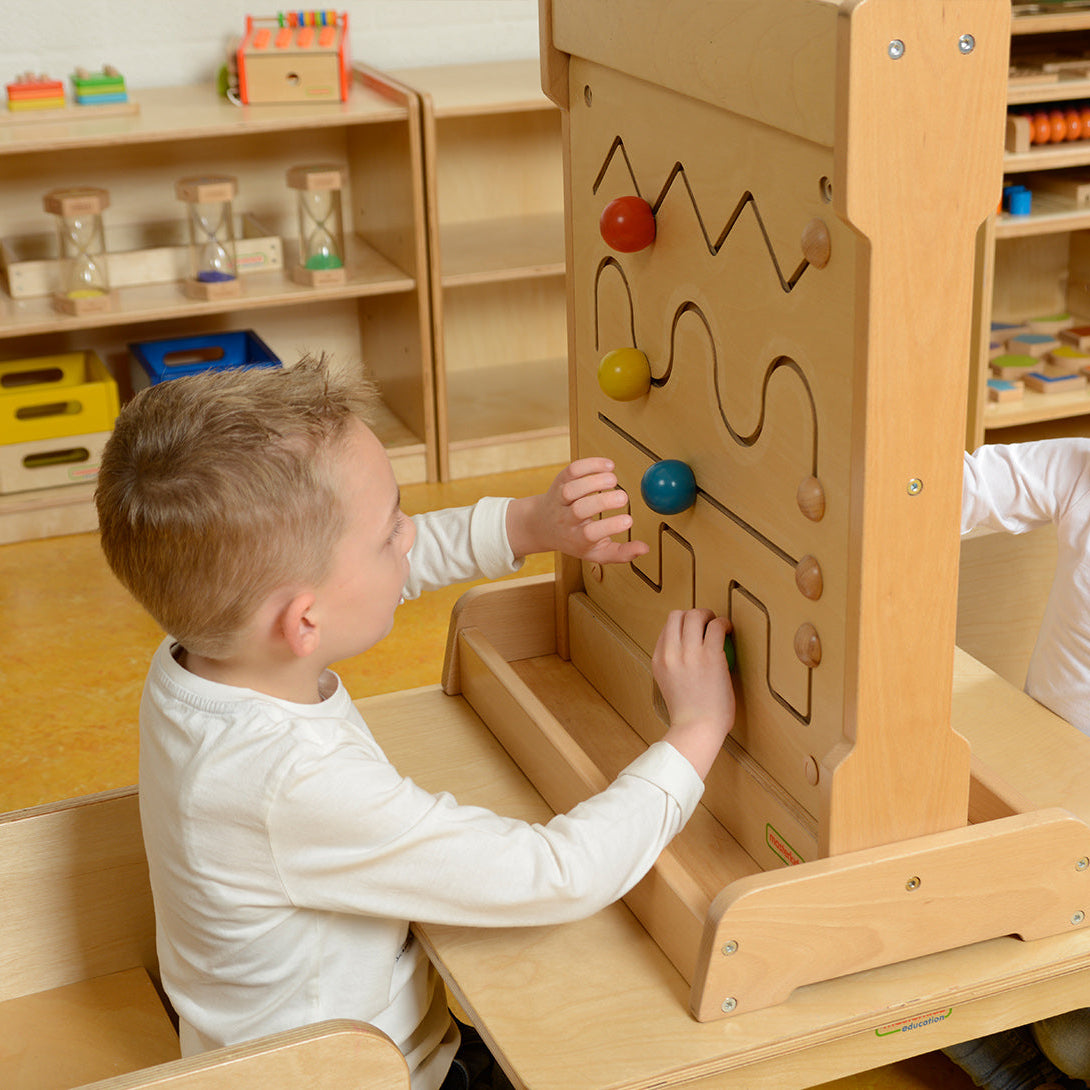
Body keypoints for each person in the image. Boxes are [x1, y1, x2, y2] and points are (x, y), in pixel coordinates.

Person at [94, 355, 736, 1090]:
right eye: (390, 528)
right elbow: (556, 875)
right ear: (304, 621)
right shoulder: (291, 783)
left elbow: (371, 575)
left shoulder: (205, 647)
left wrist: (525, 522)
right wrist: (693, 732)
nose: (408, 536)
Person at [945, 439, 1090, 1090]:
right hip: (1047, 798)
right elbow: (939, 493)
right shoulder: (1077, 467)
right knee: (941, 974)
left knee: (1070, 1040)